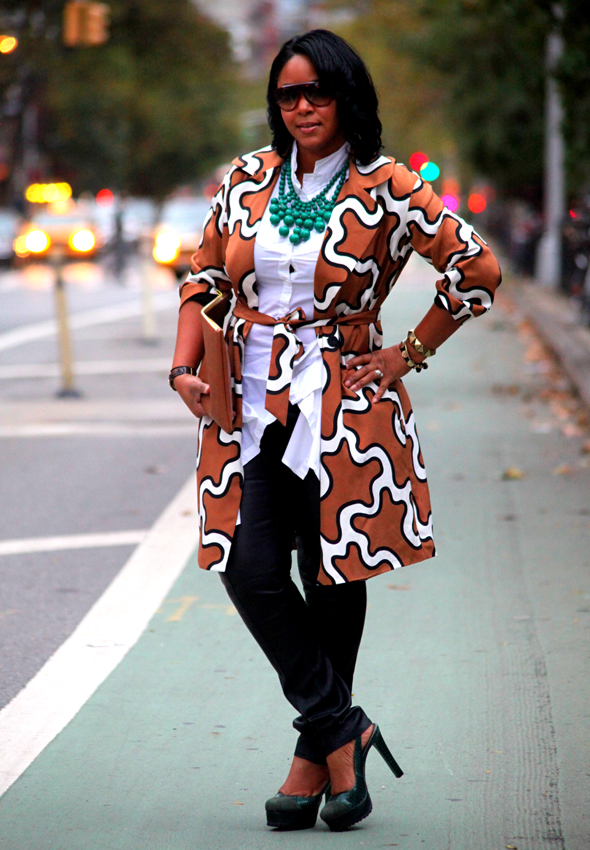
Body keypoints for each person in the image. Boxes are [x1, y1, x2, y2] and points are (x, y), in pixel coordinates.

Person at [169, 29, 501, 832]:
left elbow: (477, 272)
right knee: (248, 566)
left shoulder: (389, 184)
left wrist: (406, 354)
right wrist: (184, 369)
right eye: (288, 94)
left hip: (345, 406)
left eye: (317, 91)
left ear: (348, 97)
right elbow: (205, 275)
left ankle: (315, 758)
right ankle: (340, 724)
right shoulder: (247, 177)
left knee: (331, 569)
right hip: (249, 403)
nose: (303, 106)